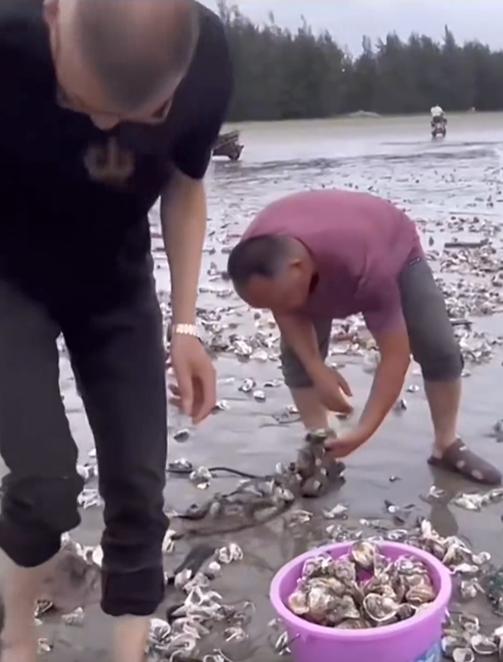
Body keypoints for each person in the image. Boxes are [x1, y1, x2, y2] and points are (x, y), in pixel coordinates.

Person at [0, 0, 231, 660]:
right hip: (8, 281)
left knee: (138, 481)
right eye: (80, 101)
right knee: (43, 479)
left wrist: (185, 325)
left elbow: (186, 185)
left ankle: (127, 655)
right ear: (51, 19)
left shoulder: (206, 59)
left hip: (116, 285)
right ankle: (16, 637)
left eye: (141, 117)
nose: (105, 126)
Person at [228, 190, 501, 488]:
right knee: (298, 358)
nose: (282, 310)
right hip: (315, 255)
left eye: (282, 299)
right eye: (268, 305)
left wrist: (363, 431)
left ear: (297, 267)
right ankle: (322, 448)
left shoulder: (368, 266)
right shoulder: (258, 258)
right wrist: (316, 368)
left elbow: (395, 356)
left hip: (391, 244)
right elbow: (284, 309)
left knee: (438, 347)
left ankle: (446, 445)